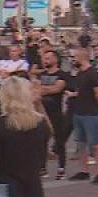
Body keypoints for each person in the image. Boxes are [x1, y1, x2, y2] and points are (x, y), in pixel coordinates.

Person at [68, 49, 98, 183]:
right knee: (81, 143)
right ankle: (84, 171)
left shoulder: (93, 74)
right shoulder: (79, 74)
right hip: (79, 112)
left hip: (91, 113)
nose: (73, 59)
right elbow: (81, 91)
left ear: (82, 57)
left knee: (95, 144)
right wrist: (73, 95)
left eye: (75, 57)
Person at [39, 49, 71, 179]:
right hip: (42, 113)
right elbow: (37, 90)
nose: (45, 60)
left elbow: (58, 88)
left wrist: (44, 90)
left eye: (47, 58)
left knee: (59, 142)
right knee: (41, 141)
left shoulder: (62, 74)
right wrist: (46, 90)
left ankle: (61, 169)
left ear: (55, 60)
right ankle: (42, 168)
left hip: (56, 113)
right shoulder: (43, 74)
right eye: (44, 58)